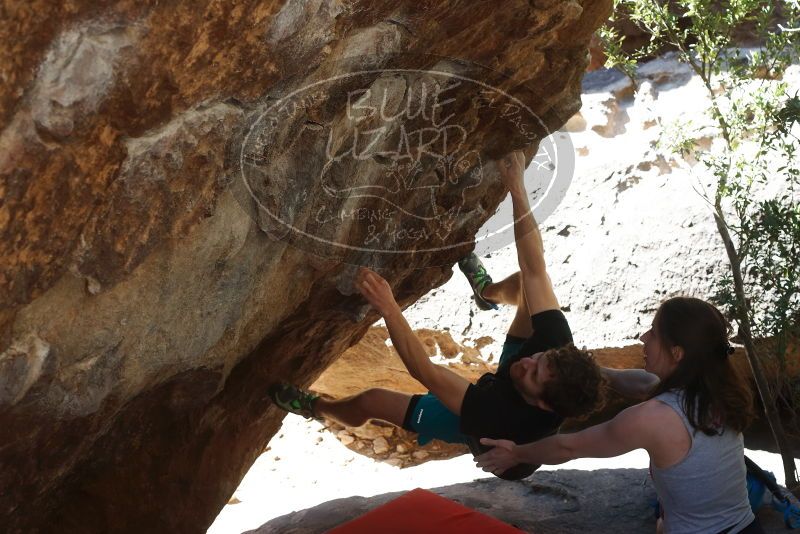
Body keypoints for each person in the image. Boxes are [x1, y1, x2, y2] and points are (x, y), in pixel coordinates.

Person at [269, 150, 604, 479]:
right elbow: (535, 269)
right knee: (523, 287)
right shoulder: (553, 347)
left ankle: (318, 409)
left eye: (533, 373)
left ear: (544, 404)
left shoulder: (494, 416)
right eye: (541, 358)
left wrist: (387, 305)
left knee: (372, 401)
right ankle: (485, 293)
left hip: (486, 434)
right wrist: (517, 186)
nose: (527, 361)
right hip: (509, 393)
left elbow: (423, 370)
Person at [475, 296, 762, 533]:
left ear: (677, 353)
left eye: (654, 333)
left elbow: (569, 446)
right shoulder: (716, 391)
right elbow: (642, 384)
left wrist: (515, 454)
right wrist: (581, 370)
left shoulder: (653, 418)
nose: (644, 337)